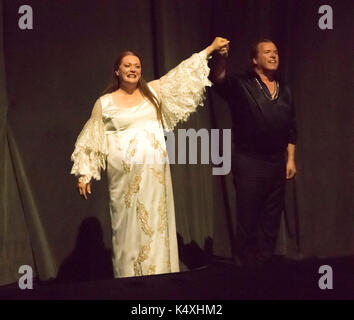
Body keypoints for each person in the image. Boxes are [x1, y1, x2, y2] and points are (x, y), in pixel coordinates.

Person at [70, 37, 229, 278]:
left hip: (154, 178)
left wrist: (210, 50)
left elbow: (182, 75)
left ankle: (160, 278)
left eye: (137, 66)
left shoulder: (153, 93)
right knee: (128, 229)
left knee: (155, 225)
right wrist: (85, 173)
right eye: (127, 65)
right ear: (117, 71)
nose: (133, 69)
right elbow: (93, 139)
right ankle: (129, 281)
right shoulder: (105, 103)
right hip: (124, 181)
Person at [211, 39, 297, 267]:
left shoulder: (284, 89)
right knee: (248, 216)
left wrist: (290, 159)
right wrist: (222, 57)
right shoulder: (242, 84)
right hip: (250, 161)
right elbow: (218, 79)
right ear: (255, 59)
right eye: (267, 52)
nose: (273, 55)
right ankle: (243, 265)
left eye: (276, 52)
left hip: (277, 161)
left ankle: (265, 263)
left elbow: (291, 128)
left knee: (271, 218)